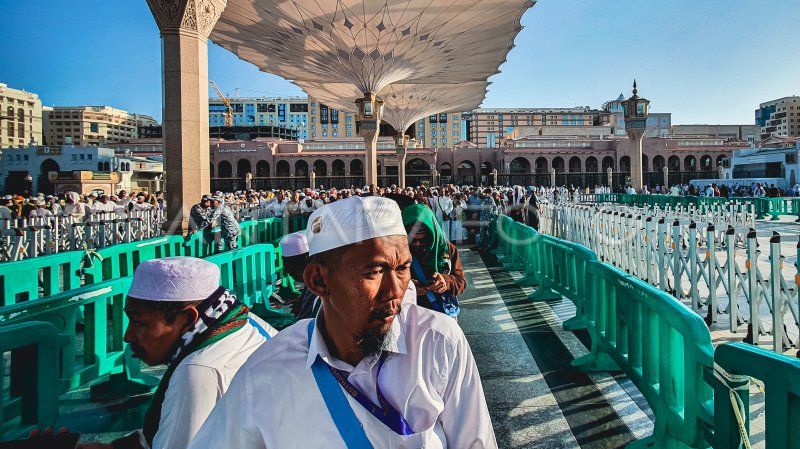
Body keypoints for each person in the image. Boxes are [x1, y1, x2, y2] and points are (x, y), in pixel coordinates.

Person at [189, 196, 496, 449]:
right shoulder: (266, 374)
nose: (395, 292)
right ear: (318, 280)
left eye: (402, 269)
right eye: (374, 272)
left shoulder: (438, 342)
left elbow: (475, 443)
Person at [79, 257, 275, 449]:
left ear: (188, 318)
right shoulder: (244, 321)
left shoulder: (199, 372)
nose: (128, 336)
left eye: (139, 323)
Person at [402, 204, 465, 318]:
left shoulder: (447, 249)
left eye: (423, 240)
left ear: (433, 235)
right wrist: (408, 288)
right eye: (413, 239)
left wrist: (446, 282)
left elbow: (461, 281)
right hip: (409, 316)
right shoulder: (397, 253)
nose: (417, 244)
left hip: (441, 315)